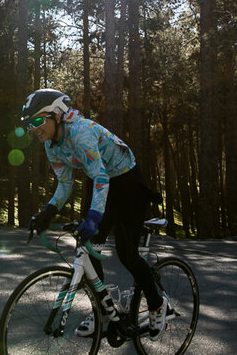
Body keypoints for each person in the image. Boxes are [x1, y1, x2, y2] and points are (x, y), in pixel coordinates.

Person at [23, 89, 168, 337]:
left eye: (37, 120)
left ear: (57, 115)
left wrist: (94, 217)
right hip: (100, 181)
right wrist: (47, 212)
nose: (33, 128)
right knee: (88, 246)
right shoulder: (51, 145)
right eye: (29, 124)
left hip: (126, 181)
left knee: (127, 254)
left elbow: (101, 176)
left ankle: (157, 304)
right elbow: (66, 183)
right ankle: (106, 308)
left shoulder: (80, 132)